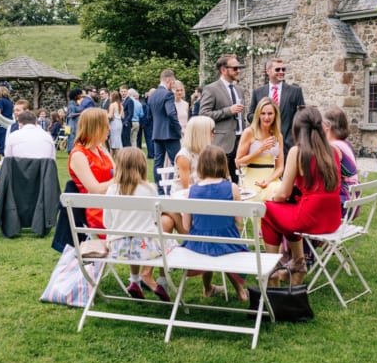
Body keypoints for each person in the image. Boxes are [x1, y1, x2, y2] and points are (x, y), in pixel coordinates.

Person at [262, 106, 342, 285]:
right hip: (332, 218)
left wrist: (273, 196)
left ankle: (273, 271)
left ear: (297, 129)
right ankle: (298, 264)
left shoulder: (297, 152)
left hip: (310, 217)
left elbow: (284, 193)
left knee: (267, 211)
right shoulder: (333, 151)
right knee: (284, 215)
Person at [103, 147, 170, 302]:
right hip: (145, 249)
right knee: (165, 239)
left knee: (132, 236)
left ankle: (134, 280)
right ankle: (162, 281)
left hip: (117, 247)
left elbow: (107, 222)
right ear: (142, 166)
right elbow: (155, 218)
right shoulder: (149, 189)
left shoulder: (112, 189)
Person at [183, 145, 248, 302]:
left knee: (208, 243)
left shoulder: (191, 191)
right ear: (223, 164)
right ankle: (240, 291)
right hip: (228, 242)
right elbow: (239, 221)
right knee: (224, 244)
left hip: (198, 246)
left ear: (201, 166)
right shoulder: (232, 188)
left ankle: (207, 288)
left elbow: (186, 226)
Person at [199, 55, 246, 183]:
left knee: (238, 180)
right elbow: (203, 114)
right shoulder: (211, 89)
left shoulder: (239, 90)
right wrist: (228, 111)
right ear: (223, 70)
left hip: (240, 142)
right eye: (235, 68)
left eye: (239, 68)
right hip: (222, 144)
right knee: (220, 179)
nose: (239, 71)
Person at [248, 58, 305, 160]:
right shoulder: (258, 92)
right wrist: (263, 119)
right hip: (264, 143)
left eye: (283, 69)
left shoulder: (295, 91)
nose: (281, 72)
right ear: (268, 71)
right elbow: (250, 115)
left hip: (288, 144)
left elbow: (302, 117)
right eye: (278, 70)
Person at [68, 108, 115, 231]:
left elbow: (117, 172)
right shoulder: (79, 155)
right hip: (97, 210)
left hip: (112, 204)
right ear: (96, 128)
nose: (109, 129)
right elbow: (95, 189)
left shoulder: (101, 149)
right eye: (106, 125)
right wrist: (121, 179)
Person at [235, 97, 284, 202]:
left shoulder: (278, 136)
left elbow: (280, 167)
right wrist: (260, 150)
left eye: (270, 114)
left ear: (275, 115)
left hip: (271, 177)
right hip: (251, 175)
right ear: (258, 115)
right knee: (254, 198)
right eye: (263, 113)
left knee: (280, 193)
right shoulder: (249, 132)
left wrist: (268, 181)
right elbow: (238, 162)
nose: (266, 117)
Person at [322, 106, 360, 217]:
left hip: (343, 202)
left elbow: (329, 178)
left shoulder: (334, 147)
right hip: (353, 198)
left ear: (328, 126)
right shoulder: (345, 144)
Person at [148, 69, 182, 194]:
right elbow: (171, 114)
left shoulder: (152, 95)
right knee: (177, 162)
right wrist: (178, 129)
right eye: (172, 82)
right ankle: (173, 190)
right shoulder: (168, 94)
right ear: (168, 80)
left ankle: (160, 190)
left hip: (157, 133)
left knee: (158, 163)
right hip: (170, 134)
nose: (173, 85)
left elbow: (149, 116)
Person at [173, 116, 215, 195]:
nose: (214, 134)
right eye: (212, 131)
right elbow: (186, 187)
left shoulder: (207, 151)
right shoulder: (184, 156)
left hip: (203, 194)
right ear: (202, 133)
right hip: (185, 199)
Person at [66, 88, 81, 153]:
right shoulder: (72, 103)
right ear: (75, 95)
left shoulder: (75, 103)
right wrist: (81, 113)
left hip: (74, 123)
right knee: (72, 137)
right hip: (72, 124)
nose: (80, 96)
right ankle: (71, 150)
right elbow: (71, 115)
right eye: (79, 94)